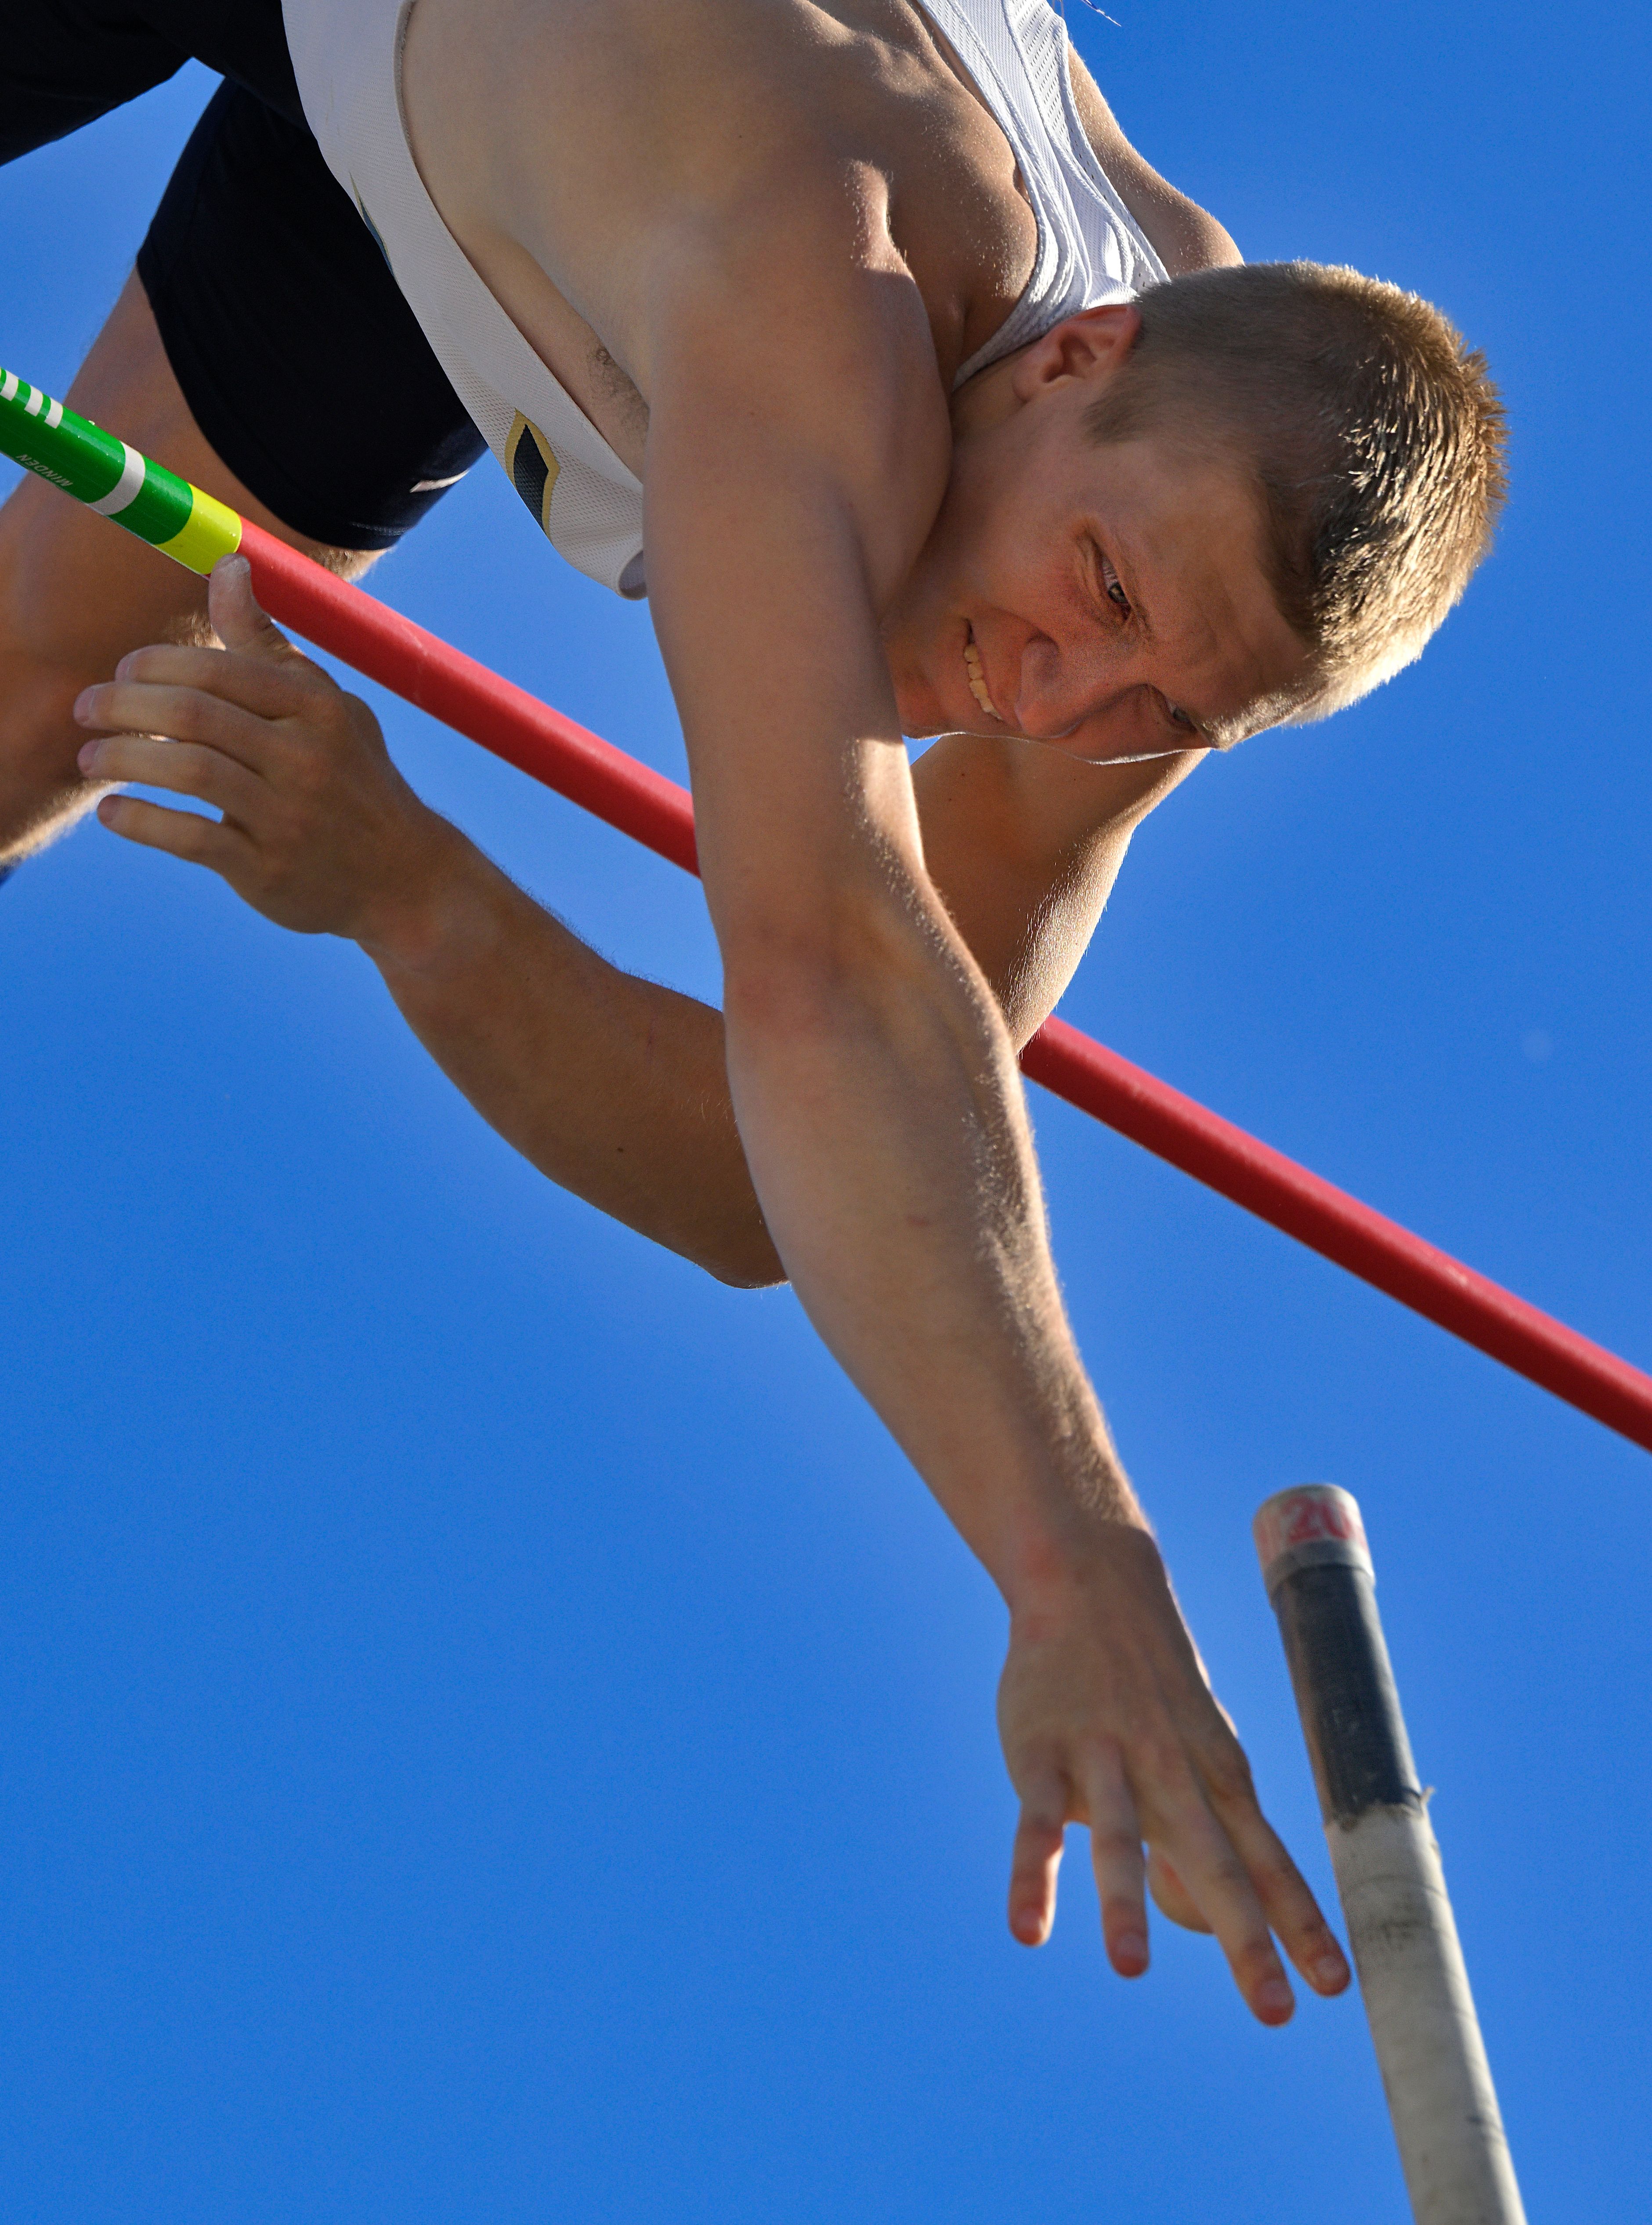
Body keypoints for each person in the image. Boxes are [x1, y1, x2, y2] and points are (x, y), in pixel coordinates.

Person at [0, 0, 1505, 2026]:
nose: (1054, 701)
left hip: (481, 114)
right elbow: (832, 991)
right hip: (626, 88)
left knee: (27, 725)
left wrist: (415, 895)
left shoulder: (1181, 531)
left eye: (1164, 712)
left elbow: (771, 1172)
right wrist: (1071, 1563)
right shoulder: (826, 262)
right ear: (1068, 359)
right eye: (1099, 607)